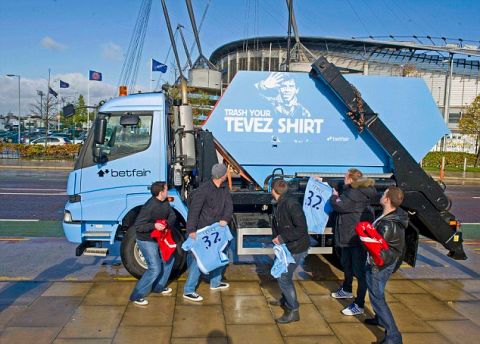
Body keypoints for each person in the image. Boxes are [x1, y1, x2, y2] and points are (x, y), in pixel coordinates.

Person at [329, 168, 377, 316]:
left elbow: (339, 205)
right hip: (349, 236)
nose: (343, 179)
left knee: (359, 271)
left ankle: (359, 304)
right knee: (346, 264)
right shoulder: (356, 189)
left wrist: (334, 196)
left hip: (354, 238)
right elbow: (341, 188)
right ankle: (347, 289)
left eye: (345, 177)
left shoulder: (354, 193)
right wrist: (323, 181)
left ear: (350, 179)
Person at [183, 163, 233, 302]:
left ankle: (215, 283)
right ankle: (188, 290)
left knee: (221, 253)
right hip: (203, 231)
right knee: (199, 259)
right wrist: (191, 230)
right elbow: (194, 211)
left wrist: (225, 219)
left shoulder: (224, 188)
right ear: (222, 176)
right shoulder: (203, 190)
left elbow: (229, 206)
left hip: (219, 230)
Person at [365, 186, 407, 344]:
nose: (381, 196)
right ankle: (380, 319)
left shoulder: (388, 225)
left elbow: (380, 251)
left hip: (379, 266)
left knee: (377, 298)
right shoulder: (390, 216)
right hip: (384, 264)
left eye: (383, 195)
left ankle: (394, 336)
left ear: (388, 200)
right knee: (377, 294)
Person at [269, 178, 310, 323]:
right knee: (281, 273)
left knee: (284, 278)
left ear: (273, 190)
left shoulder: (291, 204)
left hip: (296, 248)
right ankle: (285, 300)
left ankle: (293, 310)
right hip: (287, 247)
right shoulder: (280, 202)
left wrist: (282, 238)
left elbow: (302, 229)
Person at [129, 181, 177, 306]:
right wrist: (154, 225)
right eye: (166, 189)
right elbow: (138, 226)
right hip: (146, 240)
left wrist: (166, 224)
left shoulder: (165, 202)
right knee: (154, 268)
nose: (168, 191)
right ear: (161, 192)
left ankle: (159, 286)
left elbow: (172, 215)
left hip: (160, 238)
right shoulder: (149, 207)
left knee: (169, 259)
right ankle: (136, 295)